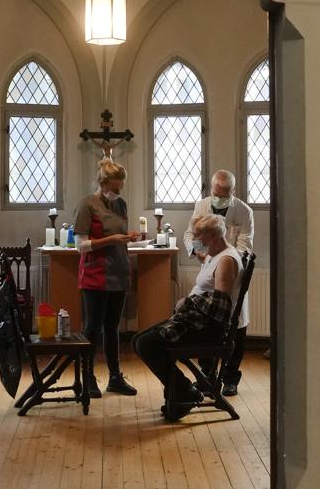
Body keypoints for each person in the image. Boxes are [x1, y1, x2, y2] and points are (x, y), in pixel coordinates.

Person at [133, 213, 247, 422]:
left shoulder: (227, 261)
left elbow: (219, 306)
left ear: (213, 237)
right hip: (195, 321)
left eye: (199, 238)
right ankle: (180, 394)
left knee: (146, 344)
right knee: (137, 341)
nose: (196, 242)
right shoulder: (214, 253)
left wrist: (187, 302)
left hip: (207, 328)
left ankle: (184, 392)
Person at [73, 159, 138, 397]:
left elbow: (118, 234)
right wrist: (111, 240)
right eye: (114, 187)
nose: (118, 192)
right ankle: (87, 377)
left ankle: (114, 377)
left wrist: (128, 236)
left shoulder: (120, 204)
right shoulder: (87, 205)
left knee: (113, 328)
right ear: (102, 183)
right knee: (92, 327)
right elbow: (80, 245)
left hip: (119, 271)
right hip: (95, 273)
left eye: (120, 188)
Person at [189, 170, 253, 397]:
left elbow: (245, 243)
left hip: (232, 270)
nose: (219, 197)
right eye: (216, 193)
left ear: (232, 192)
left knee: (235, 326)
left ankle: (230, 379)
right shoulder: (202, 205)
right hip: (208, 265)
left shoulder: (244, 211)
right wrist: (202, 253)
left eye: (224, 194)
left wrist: (225, 259)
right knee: (207, 323)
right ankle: (207, 375)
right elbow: (191, 235)